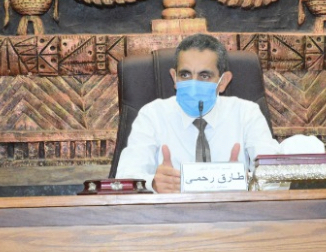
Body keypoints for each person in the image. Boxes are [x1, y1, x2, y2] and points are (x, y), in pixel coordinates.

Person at [115, 34, 280, 193]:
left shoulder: (246, 114)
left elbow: (276, 176)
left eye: (204, 76)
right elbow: (124, 179)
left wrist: (246, 181)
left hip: (234, 211)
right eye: (185, 75)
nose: (193, 84)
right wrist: (153, 183)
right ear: (174, 77)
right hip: (171, 210)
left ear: (223, 82)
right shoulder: (153, 115)